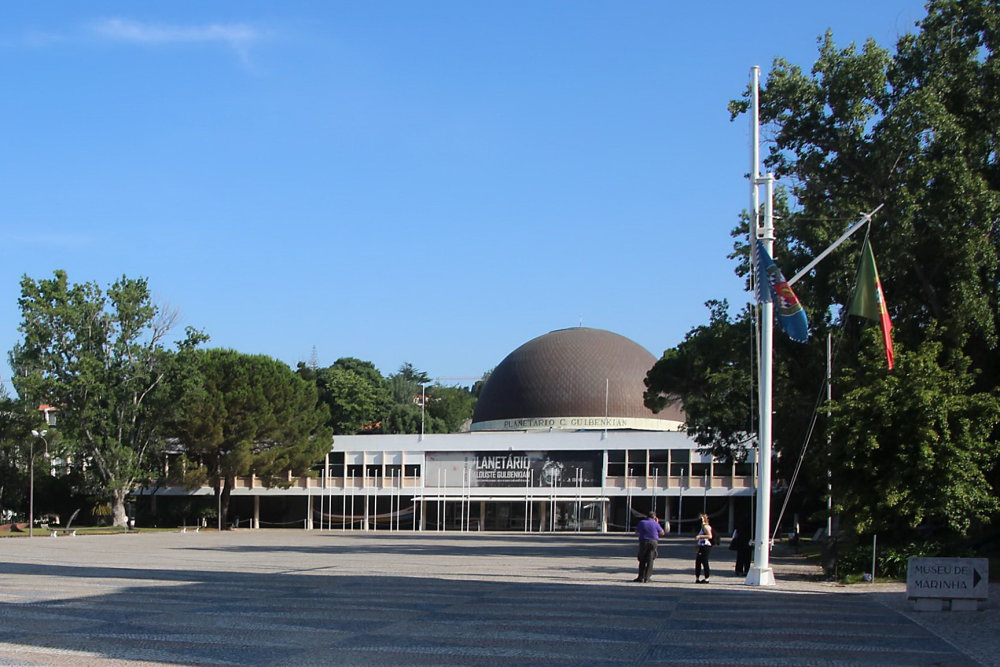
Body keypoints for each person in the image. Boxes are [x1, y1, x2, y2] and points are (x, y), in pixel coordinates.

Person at [634, 511, 665, 582]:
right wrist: (657, 523)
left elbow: (636, 532)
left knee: (642, 559)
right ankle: (647, 577)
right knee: (650, 559)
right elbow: (662, 533)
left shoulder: (642, 522)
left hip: (644, 541)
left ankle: (640, 577)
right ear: (654, 517)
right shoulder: (655, 523)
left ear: (647, 516)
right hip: (653, 541)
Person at [694, 513, 713, 583]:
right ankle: (697, 577)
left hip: (705, 546)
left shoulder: (706, 527)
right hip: (700, 546)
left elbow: (710, 536)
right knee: (698, 562)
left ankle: (707, 578)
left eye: (701, 519)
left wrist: (700, 537)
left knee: (705, 561)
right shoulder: (702, 527)